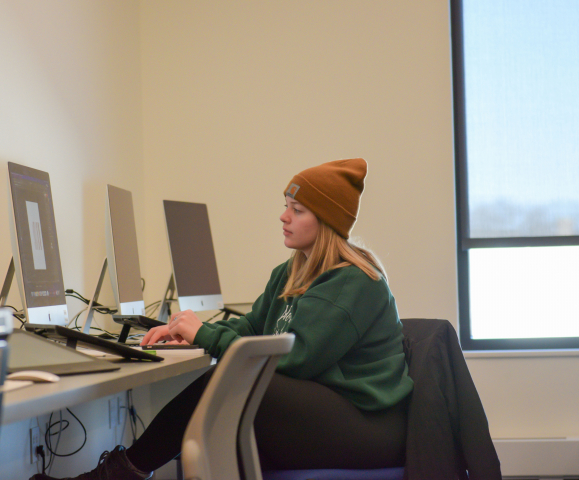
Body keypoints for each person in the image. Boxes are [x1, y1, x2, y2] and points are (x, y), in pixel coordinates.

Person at [30, 158, 414, 480]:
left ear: (328, 221)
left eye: (297, 211)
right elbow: (252, 328)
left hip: (367, 424)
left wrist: (206, 335)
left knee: (232, 385)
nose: (283, 217)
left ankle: (120, 473)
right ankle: (125, 471)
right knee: (229, 397)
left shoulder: (353, 282)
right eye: (286, 205)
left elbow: (296, 361)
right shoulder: (292, 271)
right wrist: (195, 333)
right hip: (326, 410)